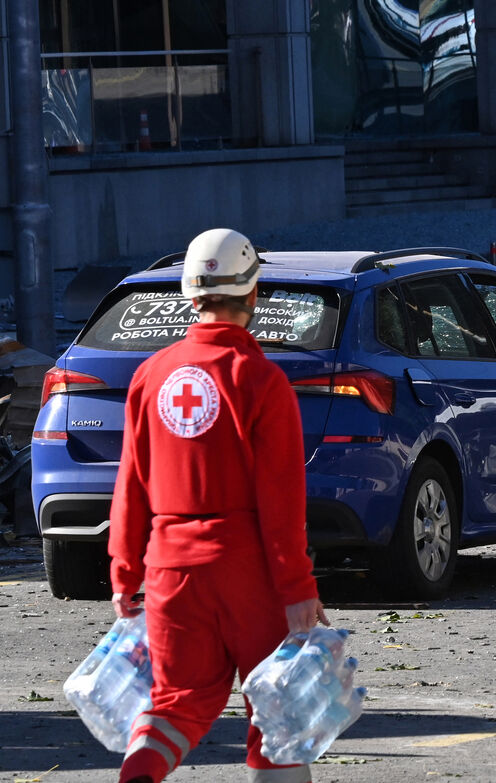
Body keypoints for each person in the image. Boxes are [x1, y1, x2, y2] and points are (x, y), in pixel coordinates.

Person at [108, 228, 328, 783]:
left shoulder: (149, 376)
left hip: (169, 569)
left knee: (176, 704)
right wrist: (298, 588)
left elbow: (131, 482)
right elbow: (281, 501)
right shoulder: (261, 380)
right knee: (277, 710)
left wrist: (124, 571)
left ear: (189, 295)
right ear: (254, 296)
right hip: (245, 568)